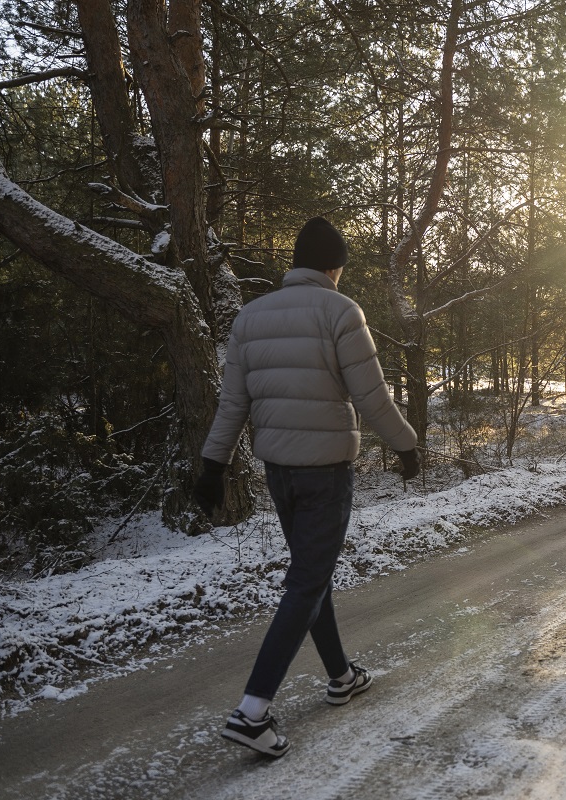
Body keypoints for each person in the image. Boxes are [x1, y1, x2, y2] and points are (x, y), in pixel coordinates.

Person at [192, 216, 420, 757]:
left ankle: (341, 676)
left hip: (280, 473)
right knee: (306, 583)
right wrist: (406, 445)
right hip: (325, 472)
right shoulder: (340, 310)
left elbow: (233, 404)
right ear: (334, 266)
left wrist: (211, 465)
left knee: (310, 576)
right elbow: (372, 396)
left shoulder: (250, 316)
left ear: (294, 264)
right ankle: (252, 712)